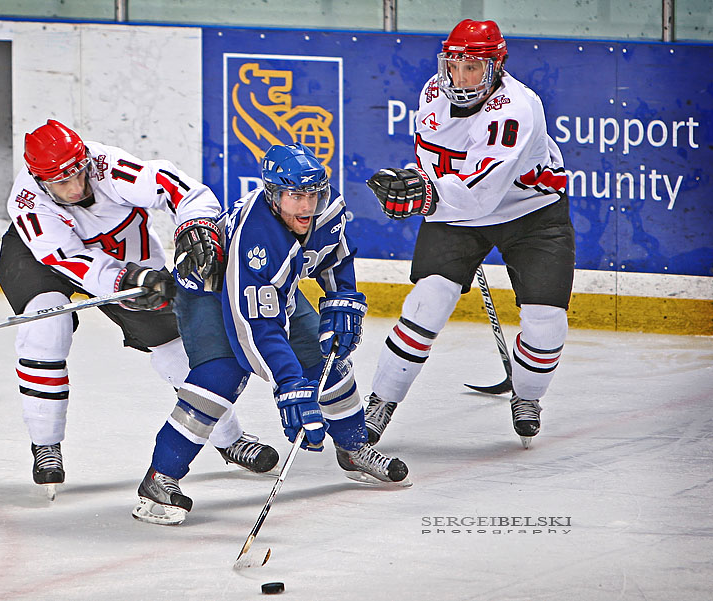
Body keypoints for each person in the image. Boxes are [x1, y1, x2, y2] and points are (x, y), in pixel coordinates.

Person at [0, 119, 279, 497]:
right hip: (40, 260)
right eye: (62, 183)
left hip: (125, 255)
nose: (76, 187)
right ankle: (45, 442)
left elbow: (178, 188)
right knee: (45, 328)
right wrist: (124, 281)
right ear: (39, 179)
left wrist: (196, 224)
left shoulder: (107, 166)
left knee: (177, 352)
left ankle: (229, 438)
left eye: (79, 173)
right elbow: (70, 259)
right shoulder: (28, 203)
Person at [132, 142, 411, 526]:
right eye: (296, 196)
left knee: (327, 362)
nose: (307, 206)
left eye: (313, 193)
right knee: (219, 377)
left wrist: (342, 297)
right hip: (210, 293)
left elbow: (334, 255)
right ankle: (159, 478)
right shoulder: (257, 238)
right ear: (274, 195)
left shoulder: (328, 208)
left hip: (272, 291)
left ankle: (353, 448)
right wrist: (290, 384)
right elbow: (257, 329)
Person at [364, 19, 575, 448]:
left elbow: (482, 196)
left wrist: (425, 196)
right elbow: (433, 165)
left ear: (496, 67)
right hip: (457, 211)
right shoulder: (431, 93)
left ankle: (528, 396)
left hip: (532, 213)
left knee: (546, 323)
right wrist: (420, 188)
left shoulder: (516, 109)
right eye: (454, 66)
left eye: (472, 68)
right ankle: (380, 401)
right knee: (427, 303)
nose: (460, 78)